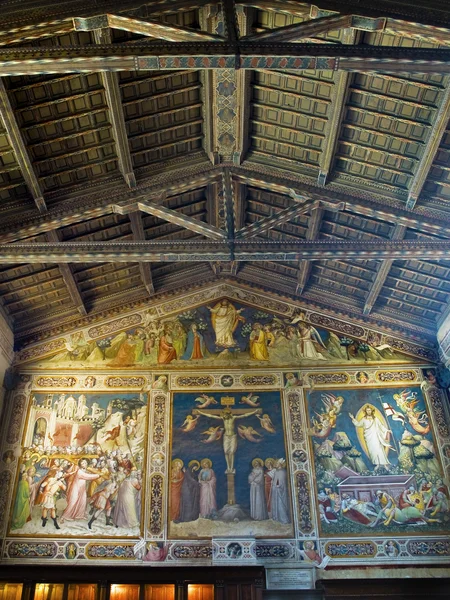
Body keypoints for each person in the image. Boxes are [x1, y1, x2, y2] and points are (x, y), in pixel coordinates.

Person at [196, 406, 261, 473]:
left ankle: (231, 467)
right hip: (226, 436)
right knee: (226, 452)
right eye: (224, 413)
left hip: (233, 436)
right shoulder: (223, 418)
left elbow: (244, 415)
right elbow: (211, 416)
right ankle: (228, 467)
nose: (224, 414)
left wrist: (254, 411)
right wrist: (201, 412)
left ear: (229, 413)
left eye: (226, 413)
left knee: (232, 452)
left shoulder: (233, 417)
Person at [270, 459, 291, 524]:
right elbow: (274, 480)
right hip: (275, 490)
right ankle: (276, 517)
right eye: (276, 463)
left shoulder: (283, 471)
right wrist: (273, 484)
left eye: (277, 463)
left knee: (281, 504)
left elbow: (282, 482)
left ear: (280, 464)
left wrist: (279, 486)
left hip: (281, 491)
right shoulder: (276, 471)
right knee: (276, 503)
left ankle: (283, 519)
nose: (276, 464)